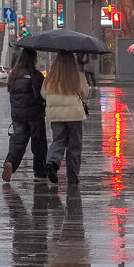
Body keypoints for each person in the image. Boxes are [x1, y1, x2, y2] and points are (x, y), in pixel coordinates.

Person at [41, 51, 87, 187]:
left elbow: (43, 95)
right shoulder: (78, 77)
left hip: (56, 116)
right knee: (74, 145)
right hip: (74, 115)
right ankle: (73, 176)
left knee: (58, 141)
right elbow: (85, 93)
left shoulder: (49, 78)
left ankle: (52, 163)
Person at [2, 48, 47, 182]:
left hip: (17, 115)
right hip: (35, 115)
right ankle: (40, 173)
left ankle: (10, 162)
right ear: (32, 59)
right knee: (39, 144)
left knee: (17, 141)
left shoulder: (13, 75)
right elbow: (42, 96)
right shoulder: (36, 76)